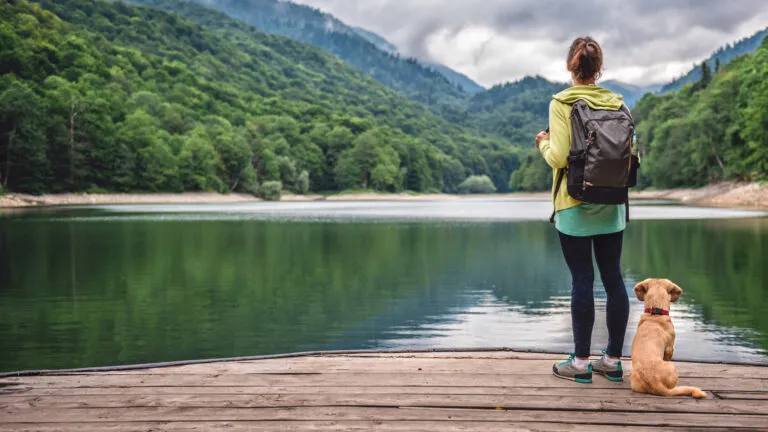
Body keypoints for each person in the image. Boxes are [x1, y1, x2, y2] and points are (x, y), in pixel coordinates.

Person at [535, 37, 631, 384]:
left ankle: (580, 363)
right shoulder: (617, 102)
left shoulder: (563, 101)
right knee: (613, 278)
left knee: (582, 281)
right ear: (598, 68)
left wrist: (543, 143)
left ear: (570, 67)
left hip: (574, 204)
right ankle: (613, 360)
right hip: (612, 206)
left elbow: (559, 157)